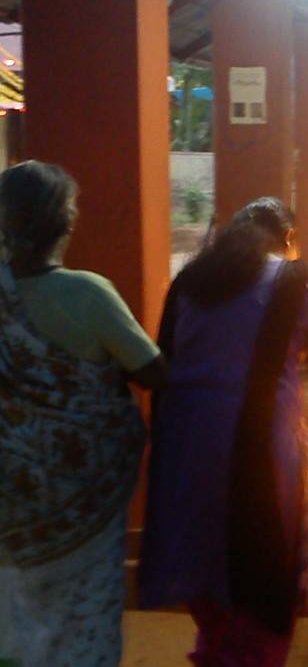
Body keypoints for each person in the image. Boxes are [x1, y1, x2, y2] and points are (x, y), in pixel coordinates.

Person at [138, 197, 308, 666]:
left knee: (208, 578)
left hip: (183, 449)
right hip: (260, 457)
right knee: (262, 588)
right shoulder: (302, 286)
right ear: (287, 239)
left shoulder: (191, 281)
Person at [0, 161, 165, 666]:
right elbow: (153, 373)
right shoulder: (88, 294)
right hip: (84, 508)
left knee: (13, 622)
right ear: (64, 225)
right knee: (82, 626)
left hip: (8, 503)